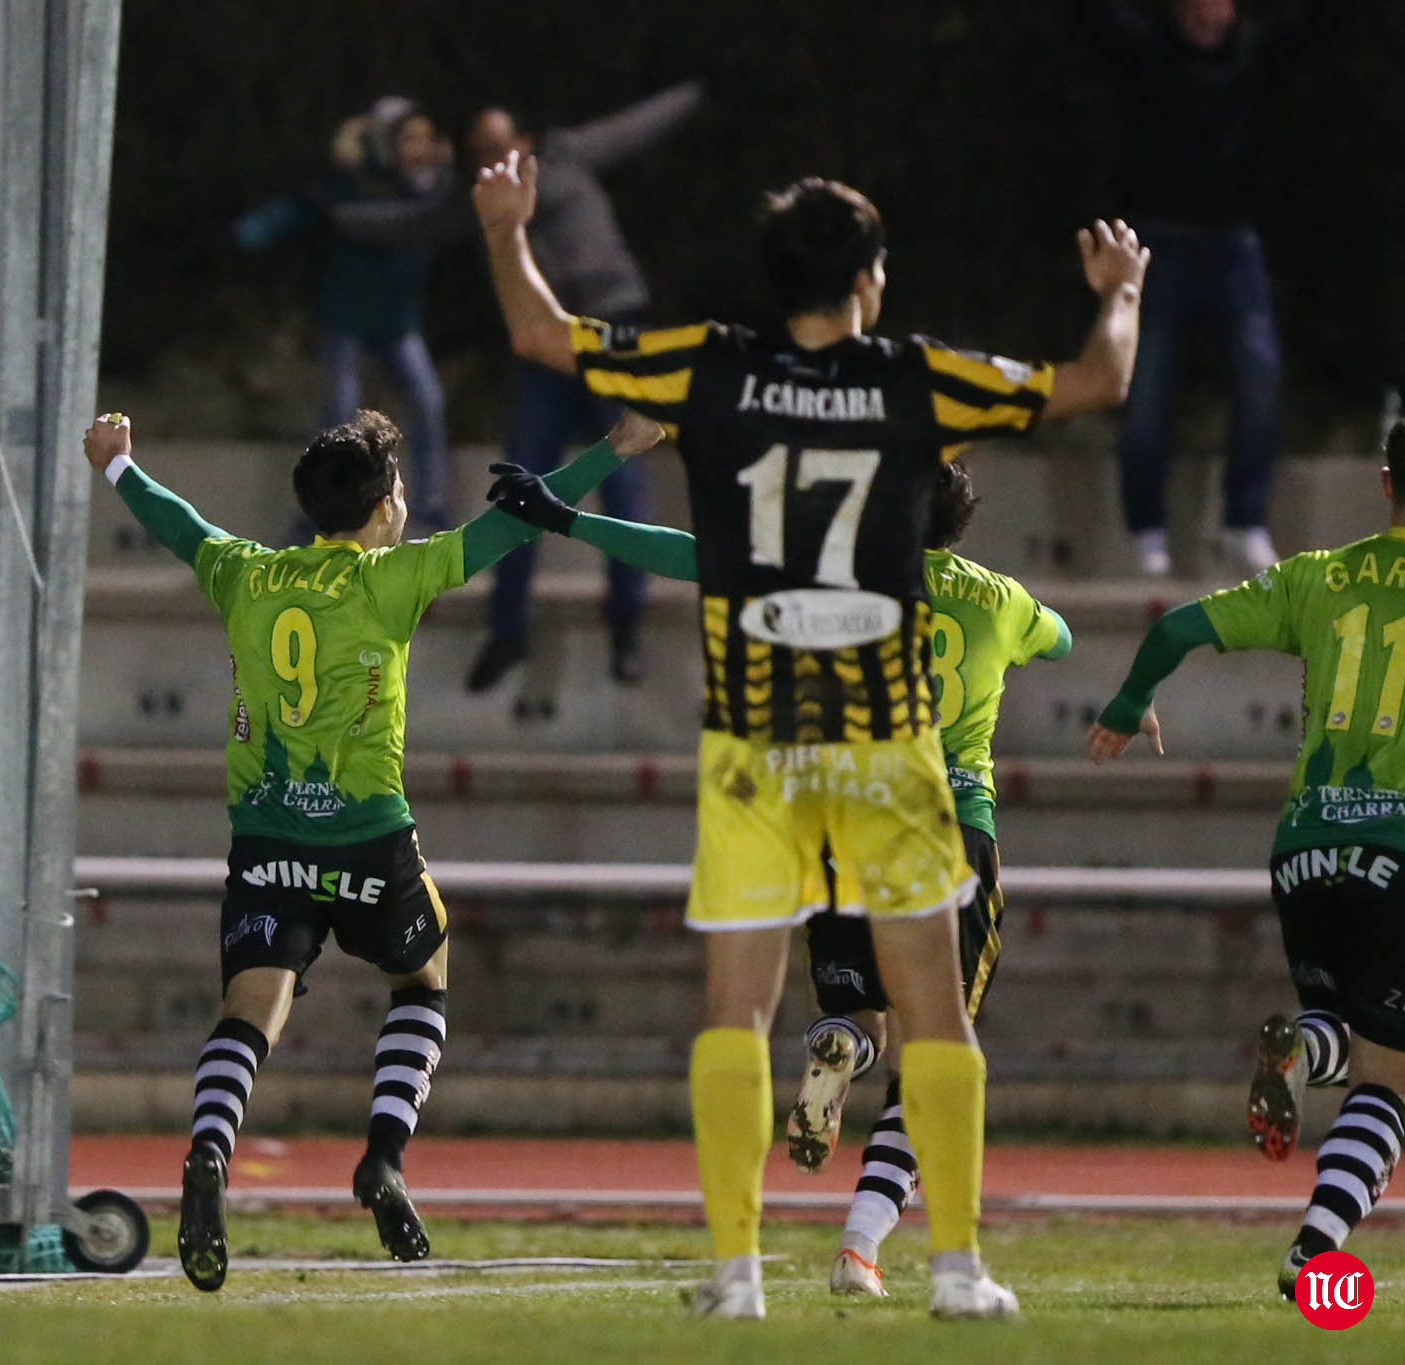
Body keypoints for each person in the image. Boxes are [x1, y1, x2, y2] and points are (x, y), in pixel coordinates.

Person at [473, 151, 1146, 1317]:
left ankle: (735, 1275)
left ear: (770, 275)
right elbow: (1095, 382)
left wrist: (504, 227)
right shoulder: (913, 382)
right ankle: (955, 1269)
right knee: (932, 1010)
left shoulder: (711, 367)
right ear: (870, 281)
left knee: (736, 1007)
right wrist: (1119, 287)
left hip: (754, 739)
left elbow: (542, 335)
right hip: (886, 746)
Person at [83, 404, 664, 1293]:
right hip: (368, 838)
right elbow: (510, 528)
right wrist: (610, 450)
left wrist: (118, 464)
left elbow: (179, 524)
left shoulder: (248, 574)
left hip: (266, 835)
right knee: (424, 979)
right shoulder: (395, 577)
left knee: (250, 1011)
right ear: (386, 504)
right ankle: (384, 1158)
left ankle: (208, 1149)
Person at [491, 458, 1074, 1297]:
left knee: (860, 1008)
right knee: (936, 1049)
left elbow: (693, 554)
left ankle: (845, 1042)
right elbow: (1058, 636)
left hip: (843, 816)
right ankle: (864, 1247)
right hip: (949, 828)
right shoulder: (1000, 599)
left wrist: (565, 519)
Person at [1088, 407, 1405, 1297]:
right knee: (1390, 1075)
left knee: (1334, 1026)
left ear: (1386, 483)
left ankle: (1300, 1051)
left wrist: (1129, 704)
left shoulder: (1321, 576)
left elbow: (1174, 630)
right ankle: (1316, 1250)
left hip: (1306, 851)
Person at [335, 83, 705, 689]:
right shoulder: (475, 196)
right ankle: (507, 630)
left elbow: (632, 125)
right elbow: (408, 223)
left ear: (526, 143)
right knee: (521, 482)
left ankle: (626, 627)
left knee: (625, 474)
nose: (492, 160)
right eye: (479, 151)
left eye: (500, 147)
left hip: (612, 328)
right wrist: (331, 214)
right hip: (544, 352)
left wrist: (697, 92)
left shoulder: (565, 157)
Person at [1082, 0, 1336, 576]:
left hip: (1232, 242)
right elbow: (1091, 20)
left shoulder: (1254, 51)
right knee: (1145, 386)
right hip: (1160, 240)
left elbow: (1320, 24)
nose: (1208, 14)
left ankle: (1244, 523)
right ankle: (1145, 531)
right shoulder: (1150, 50)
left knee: (1258, 375)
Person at [236, 98, 455, 529]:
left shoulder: (427, 190)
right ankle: (321, 514)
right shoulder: (350, 185)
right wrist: (251, 232)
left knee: (427, 405)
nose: (419, 148)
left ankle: (431, 510)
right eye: (408, 138)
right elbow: (299, 210)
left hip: (397, 323)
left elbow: (436, 203)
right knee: (338, 419)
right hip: (347, 319)